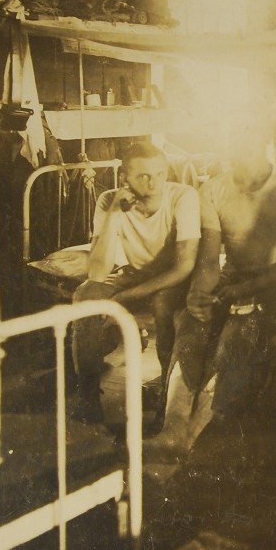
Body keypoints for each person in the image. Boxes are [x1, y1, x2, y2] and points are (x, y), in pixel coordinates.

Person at [144, 123, 276, 461]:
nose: (236, 149)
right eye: (232, 140)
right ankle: (173, 426)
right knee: (191, 322)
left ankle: (192, 435)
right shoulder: (213, 189)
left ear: (266, 139)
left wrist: (242, 291)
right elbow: (208, 262)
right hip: (231, 281)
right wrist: (199, 296)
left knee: (235, 336)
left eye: (246, 138)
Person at [71, 142, 200, 423]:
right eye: (143, 176)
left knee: (164, 304)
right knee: (85, 296)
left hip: (172, 279)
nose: (153, 183)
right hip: (133, 274)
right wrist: (115, 214)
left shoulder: (182, 196)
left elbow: (184, 266)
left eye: (159, 174)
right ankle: (87, 398)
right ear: (124, 178)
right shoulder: (108, 201)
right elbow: (96, 272)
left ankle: (166, 401)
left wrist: (124, 299)